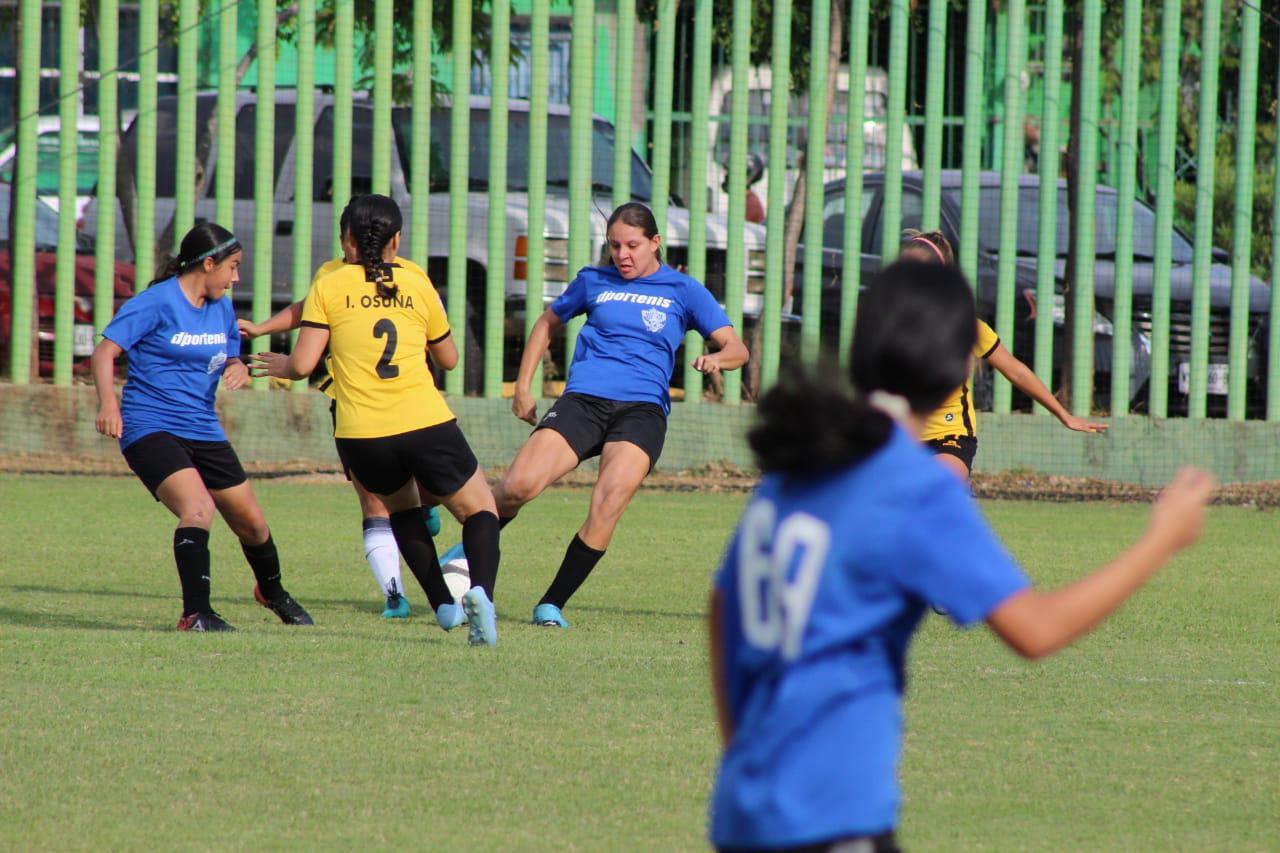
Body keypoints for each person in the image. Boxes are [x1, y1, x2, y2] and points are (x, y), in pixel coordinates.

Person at [707, 259, 1216, 852]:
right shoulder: (912, 485)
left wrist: (748, 755)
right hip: (830, 817)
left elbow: (722, 608)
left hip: (744, 812)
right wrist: (1160, 540)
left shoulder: (799, 463)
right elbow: (1035, 629)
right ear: (958, 365)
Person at [443, 201, 750, 629]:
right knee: (517, 486)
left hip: (641, 411)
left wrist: (717, 359)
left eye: (632, 246)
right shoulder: (593, 280)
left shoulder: (684, 290)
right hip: (583, 402)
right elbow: (546, 324)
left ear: (655, 243)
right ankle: (462, 556)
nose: (622, 255)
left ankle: (551, 605)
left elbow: (737, 348)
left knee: (608, 502)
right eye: (614, 245)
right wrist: (524, 387)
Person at [252, 194, 502, 646]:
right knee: (480, 509)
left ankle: (444, 607)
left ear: (346, 239)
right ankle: (481, 593)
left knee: (403, 512)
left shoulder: (329, 281)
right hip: (424, 421)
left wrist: (279, 365)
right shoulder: (416, 279)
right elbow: (449, 357)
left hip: (362, 434)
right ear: (396, 240)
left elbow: (303, 365)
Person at [91, 223, 314, 632]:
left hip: (203, 427)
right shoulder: (157, 302)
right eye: (233, 267)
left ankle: (272, 592)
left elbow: (230, 353)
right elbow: (105, 352)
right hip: (149, 427)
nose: (236, 278)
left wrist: (237, 365)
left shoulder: (221, 307)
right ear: (208, 264)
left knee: (252, 524)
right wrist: (108, 403)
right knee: (198, 508)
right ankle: (196, 614)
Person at [238, 198, 442, 619]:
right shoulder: (348, 277)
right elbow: (307, 310)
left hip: (392, 407)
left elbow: (303, 354)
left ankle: (425, 509)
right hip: (363, 405)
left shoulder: (392, 278)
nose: (347, 246)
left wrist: (282, 357)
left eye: (348, 238)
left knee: (406, 497)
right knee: (375, 502)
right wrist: (264, 327)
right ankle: (395, 594)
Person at [899, 229, 1108, 480]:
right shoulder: (891, 324)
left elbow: (1017, 372)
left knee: (935, 481)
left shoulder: (966, 326)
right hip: (903, 441)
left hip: (949, 436)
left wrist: (1064, 415)